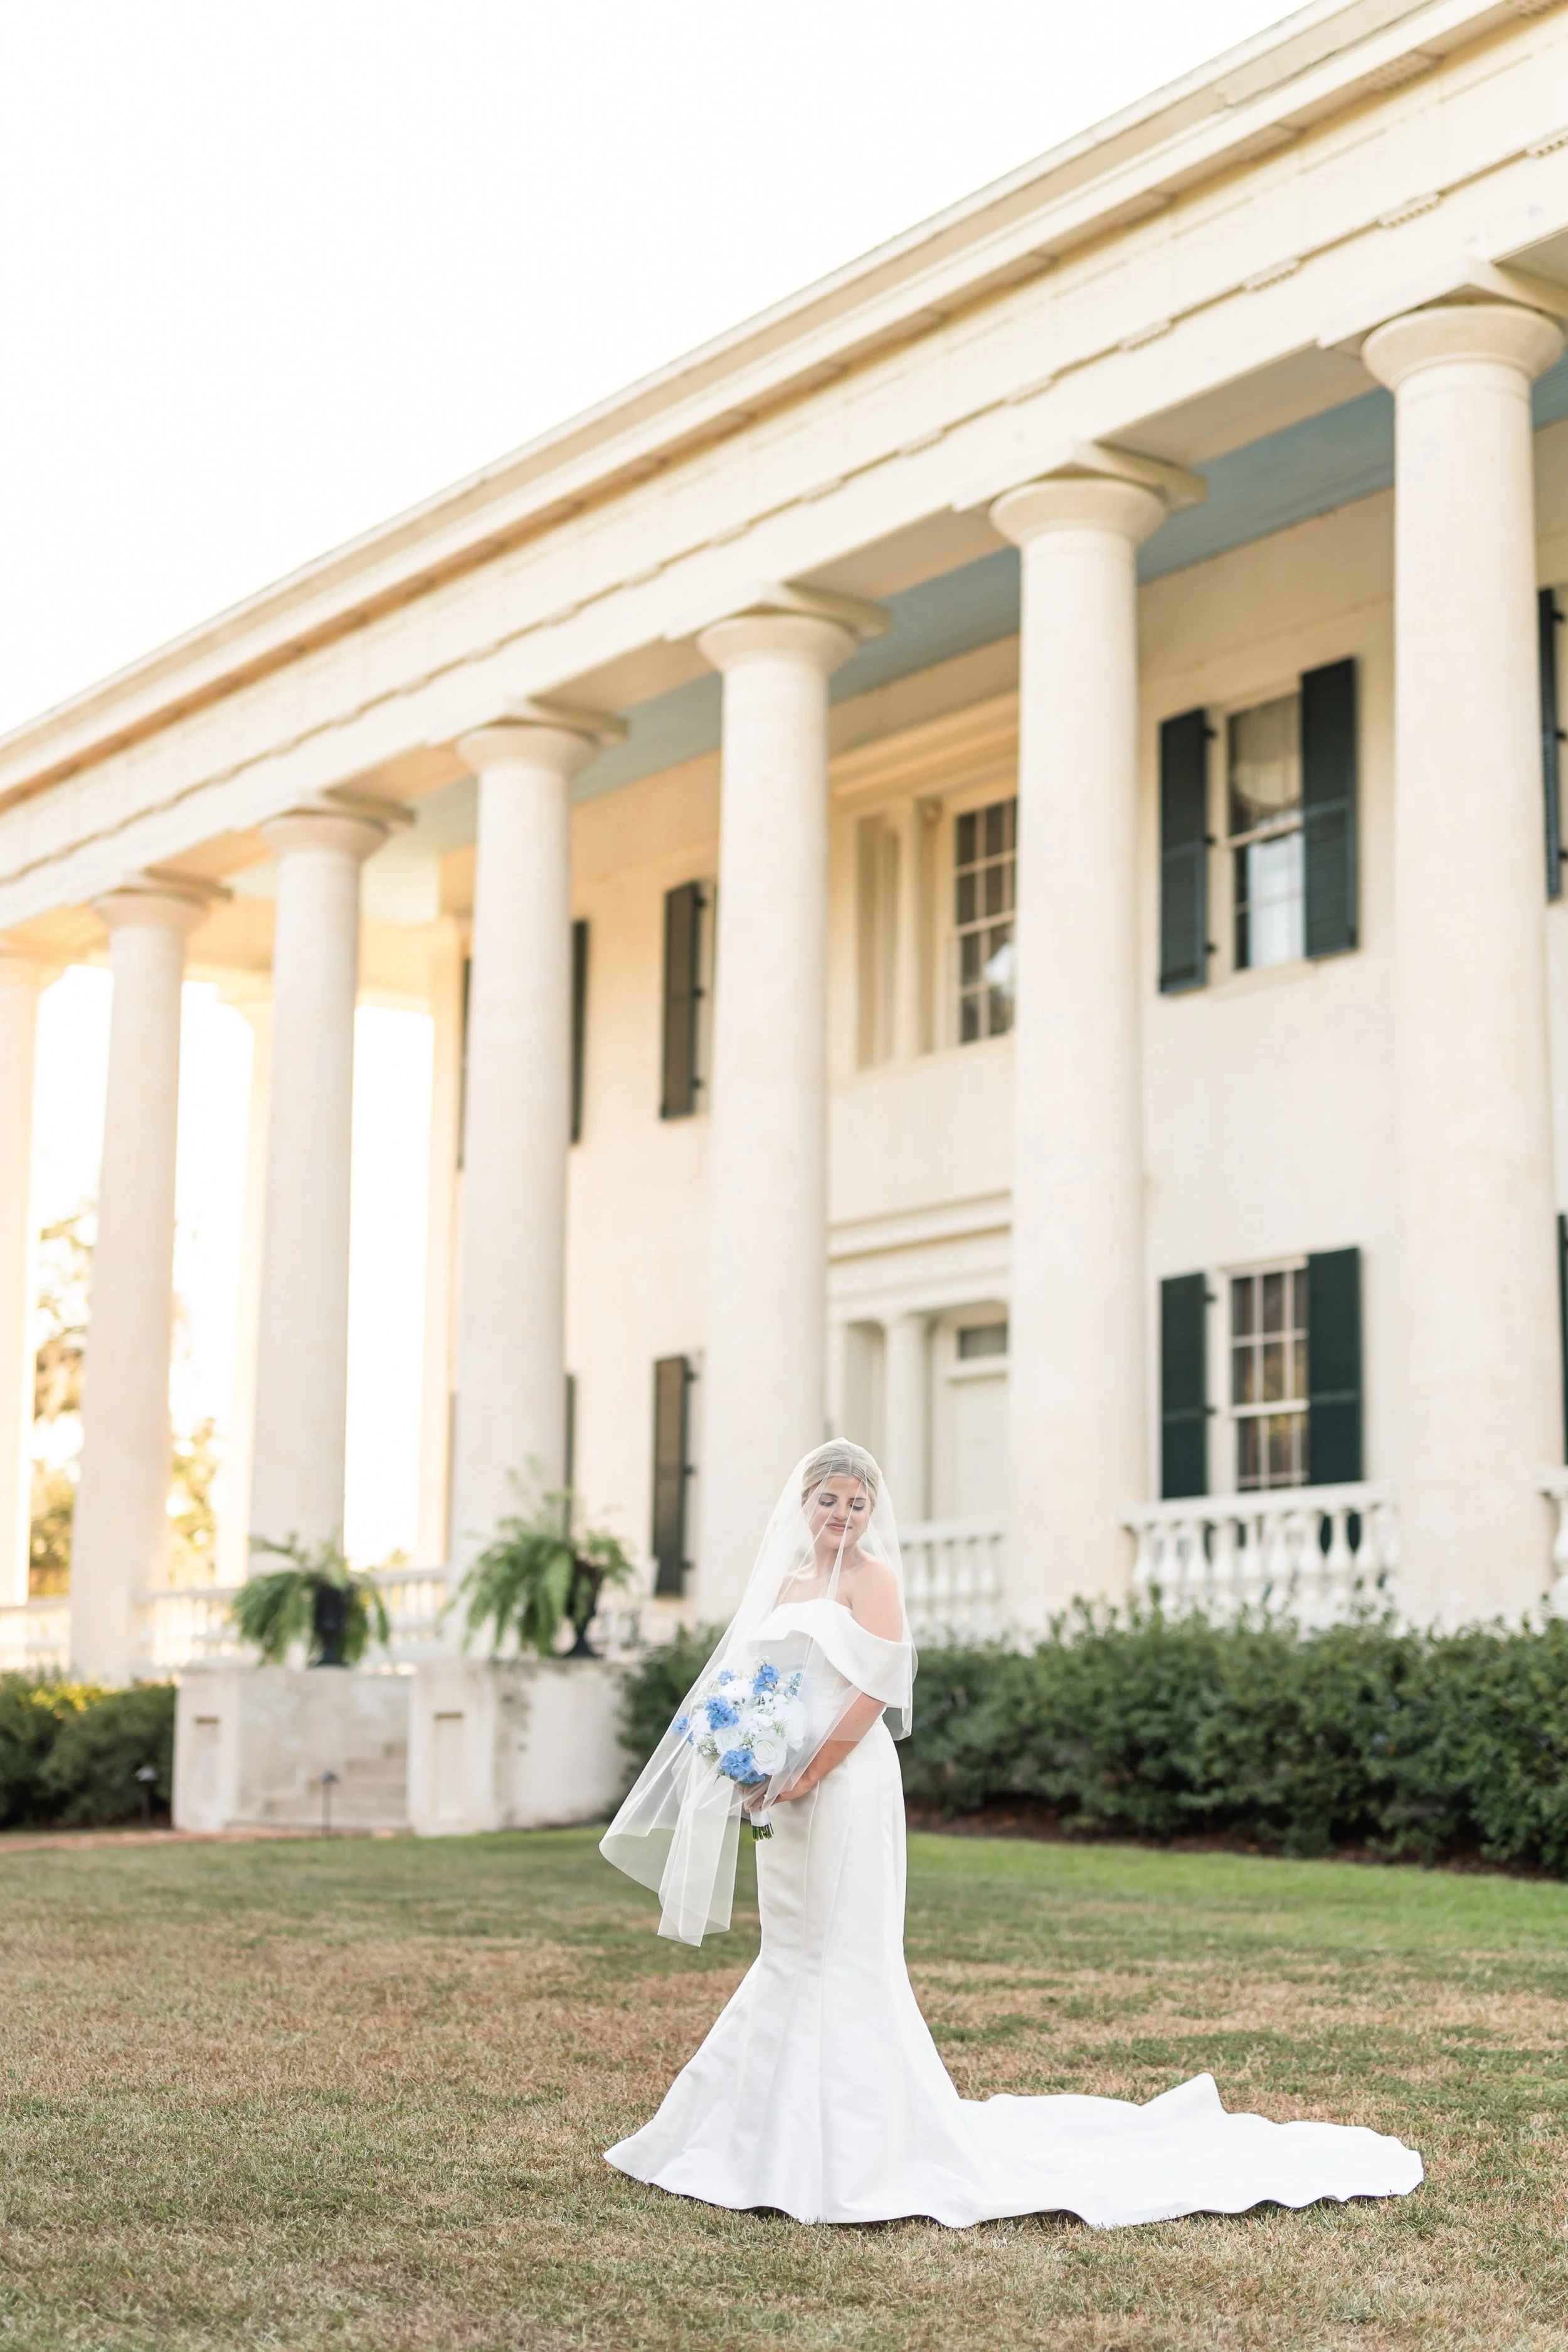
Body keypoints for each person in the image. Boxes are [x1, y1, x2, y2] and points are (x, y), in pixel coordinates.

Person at [599, 1443, 1423, 2230]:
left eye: (858, 1502)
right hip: (783, 1789)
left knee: (840, 1945)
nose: (843, 1515)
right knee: (787, 1945)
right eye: (830, 1500)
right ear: (804, 1503)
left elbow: (874, 1689)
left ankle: (858, 2146)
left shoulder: (873, 1578)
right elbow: (759, 1686)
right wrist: (751, 1762)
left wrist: (812, 1771)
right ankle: (751, 2137)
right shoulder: (785, 1585)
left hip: (845, 1780)